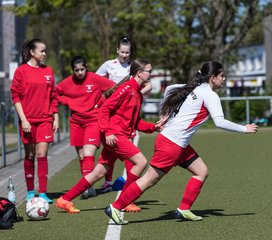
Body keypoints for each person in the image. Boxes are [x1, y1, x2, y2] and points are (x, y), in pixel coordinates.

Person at [104, 61, 258, 225]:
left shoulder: (195, 88)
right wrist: (244, 129)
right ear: (213, 78)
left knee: (201, 171)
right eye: (221, 76)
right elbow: (219, 122)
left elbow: (170, 89)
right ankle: (116, 207)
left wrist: (167, 112)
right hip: (172, 144)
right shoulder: (210, 95)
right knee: (149, 180)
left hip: (176, 143)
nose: (224, 78)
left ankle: (184, 209)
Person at [56, 58, 161, 214]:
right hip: (115, 135)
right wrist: (108, 132)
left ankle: (64, 199)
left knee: (99, 172)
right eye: (149, 72)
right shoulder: (126, 89)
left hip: (117, 135)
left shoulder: (137, 93)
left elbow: (135, 121)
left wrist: (153, 127)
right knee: (140, 162)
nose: (150, 74)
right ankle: (125, 201)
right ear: (139, 73)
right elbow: (104, 110)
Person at [96, 37, 153, 195]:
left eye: (127, 52)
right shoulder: (109, 65)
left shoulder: (134, 67)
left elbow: (148, 85)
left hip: (126, 111)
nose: (124, 55)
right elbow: (95, 79)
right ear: (117, 51)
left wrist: (135, 95)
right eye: (122, 51)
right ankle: (114, 185)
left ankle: (123, 187)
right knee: (123, 153)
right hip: (114, 112)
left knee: (124, 153)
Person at [56, 56, 115, 199]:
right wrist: (67, 102)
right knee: (81, 155)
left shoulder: (95, 79)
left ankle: (87, 187)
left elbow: (114, 87)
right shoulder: (67, 82)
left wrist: (102, 102)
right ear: (73, 70)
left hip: (93, 121)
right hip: (76, 122)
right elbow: (55, 93)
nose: (80, 72)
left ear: (86, 67)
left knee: (89, 154)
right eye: (76, 70)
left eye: (82, 69)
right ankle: (87, 185)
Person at [10, 39, 59, 203]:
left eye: (45, 51)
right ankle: (30, 191)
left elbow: (53, 96)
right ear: (32, 52)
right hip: (28, 121)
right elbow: (15, 96)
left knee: (42, 154)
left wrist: (55, 116)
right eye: (41, 51)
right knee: (30, 155)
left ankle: (43, 192)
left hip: (45, 120)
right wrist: (23, 120)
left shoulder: (48, 71)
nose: (44, 54)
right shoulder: (21, 71)